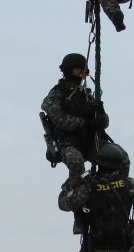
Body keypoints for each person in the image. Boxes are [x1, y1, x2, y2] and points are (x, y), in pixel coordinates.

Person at [41, 53, 109, 183]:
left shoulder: (86, 95)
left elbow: (103, 121)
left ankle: (103, 189)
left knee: (119, 157)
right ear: (70, 70)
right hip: (68, 142)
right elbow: (58, 117)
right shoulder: (58, 92)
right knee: (76, 164)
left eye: (84, 71)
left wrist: (102, 117)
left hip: (90, 141)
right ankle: (72, 194)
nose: (82, 74)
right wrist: (85, 124)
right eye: (79, 70)